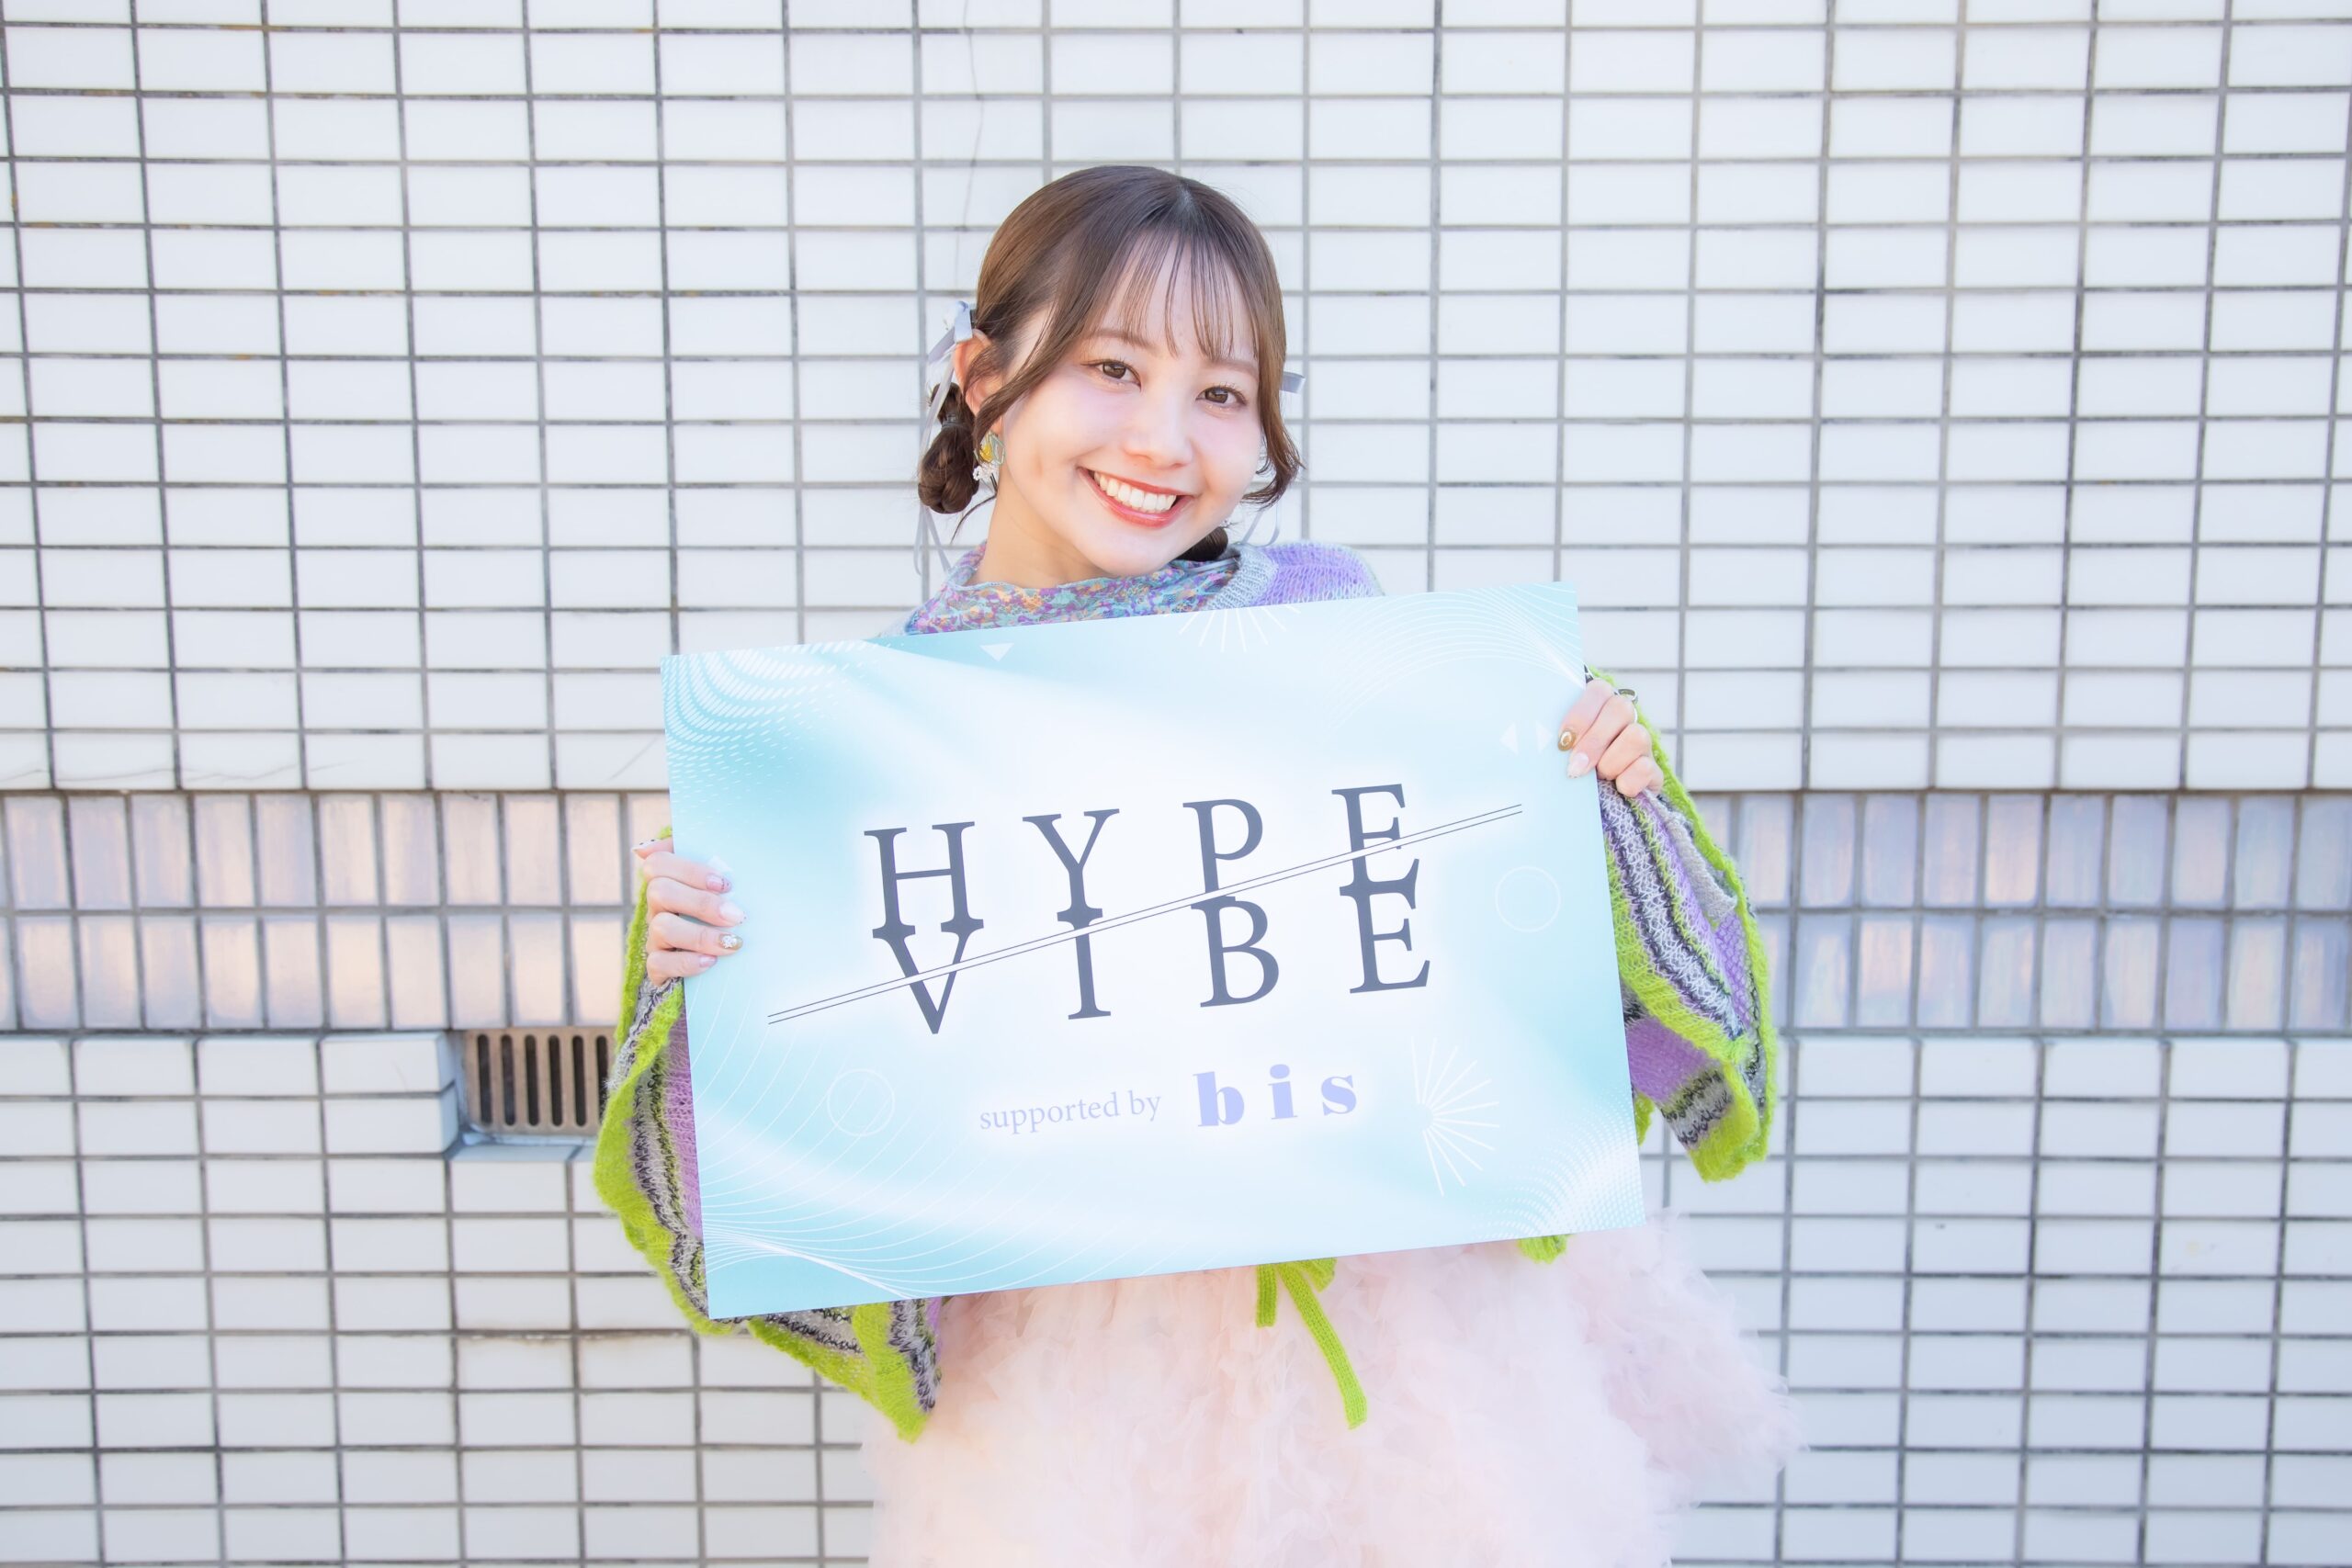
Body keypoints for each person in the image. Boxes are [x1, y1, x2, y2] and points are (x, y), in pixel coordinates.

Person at [598, 164, 1800, 1567]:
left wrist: (1583, 784)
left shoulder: (1345, 639)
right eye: (1112, 367)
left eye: (1222, 392)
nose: (1164, 439)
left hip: (1412, 1333)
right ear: (985, 382)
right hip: (1082, 1382)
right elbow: (821, 1148)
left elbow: (1507, 989)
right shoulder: (864, 745)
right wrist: (710, 960)